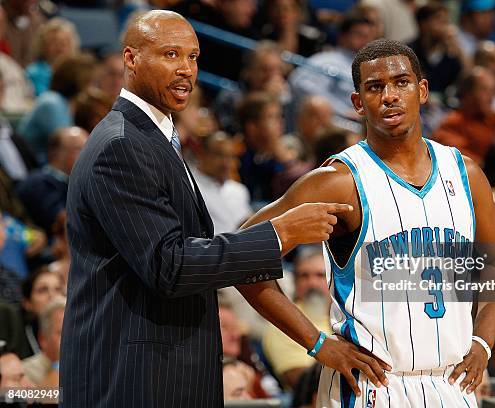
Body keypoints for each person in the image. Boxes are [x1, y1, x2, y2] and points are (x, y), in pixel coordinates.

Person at [60, 11, 388, 408]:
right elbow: (170, 266)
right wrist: (280, 233)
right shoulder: (122, 145)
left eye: (193, 57)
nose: (186, 69)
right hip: (133, 379)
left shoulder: (151, 137)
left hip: (165, 371)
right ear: (131, 59)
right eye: (170, 55)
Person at [242, 38, 495, 406]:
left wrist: (483, 339)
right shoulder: (339, 180)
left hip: (452, 384)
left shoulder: (464, 173)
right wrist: (317, 342)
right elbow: (241, 254)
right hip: (372, 387)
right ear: (357, 103)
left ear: (422, 91)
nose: (389, 96)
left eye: (401, 83)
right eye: (375, 87)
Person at [263, 246, 332, 389]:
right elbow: (299, 380)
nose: (312, 283)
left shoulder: (350, 314)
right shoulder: (283, 321)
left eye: (320, 275)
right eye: (304, 276)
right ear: (295, 282)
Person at [22, 296, 64, 386]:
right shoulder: (25, 372)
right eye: (62, 333)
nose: (70, 341)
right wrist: (58, 365)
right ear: (43, 338)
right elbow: (49, 398)